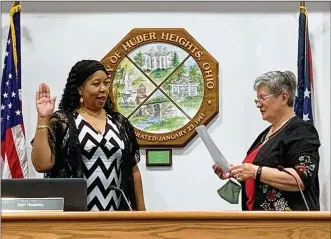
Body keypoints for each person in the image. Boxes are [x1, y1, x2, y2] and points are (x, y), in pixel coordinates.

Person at [31, 59, 146, 211]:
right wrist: (43, 119)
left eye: (106, 83)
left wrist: (142, 214)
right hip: (74, 217)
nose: (103, 89)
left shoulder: (119, 122)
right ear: (80, 88)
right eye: (96, 84)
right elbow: (42, 164)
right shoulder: (63, 120)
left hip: (116, 215)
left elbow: (134, 171)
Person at [213, 70, 320, 211]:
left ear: (284, 97)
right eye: (257, 100)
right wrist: (234, 172)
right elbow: (260, 175)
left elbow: (300, 178)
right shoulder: (265, 134)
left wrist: (255, 171)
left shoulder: (302, 131)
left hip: (288, 225)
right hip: (258, 221)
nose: (258, 104)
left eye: (263, 98)